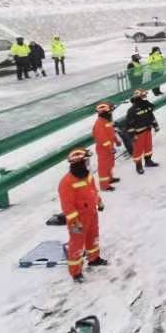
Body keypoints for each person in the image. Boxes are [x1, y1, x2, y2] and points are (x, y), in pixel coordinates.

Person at [58, 148, 107, 283]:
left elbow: (93, 191)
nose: (88, 163)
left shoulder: (88, 176)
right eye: (86, 161)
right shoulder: (66, 183)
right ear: (78, 163)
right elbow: (67, 206)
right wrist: (75, 221)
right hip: (78, 220)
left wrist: (99, 202)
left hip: (91, 213)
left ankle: (94, 258)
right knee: (77, 245)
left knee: (93, 237)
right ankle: (76, 272)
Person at [125, 89, 160, 174]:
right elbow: (129, 125)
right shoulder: (132, 110)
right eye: (143, 96)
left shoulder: (146, 106)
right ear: (138, 97)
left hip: (148, 130)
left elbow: (151, 116)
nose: (145, 97)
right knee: (138, 150)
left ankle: (148, 161)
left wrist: (155, 125)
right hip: (138, 134)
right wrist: (132, 135)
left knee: (148, 147)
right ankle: (138, 166)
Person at [92, 102, 121, 191]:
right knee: (104, 167)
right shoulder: (99, 123)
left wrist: (116, 141)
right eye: (110, 111)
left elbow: (111, 132)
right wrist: (110, 148)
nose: (111, 112)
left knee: (110, 164)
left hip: (109, 147)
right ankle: (104, 186)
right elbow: (102, 138)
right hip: (103, 149)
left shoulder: (107, 121)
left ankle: (110, 178)